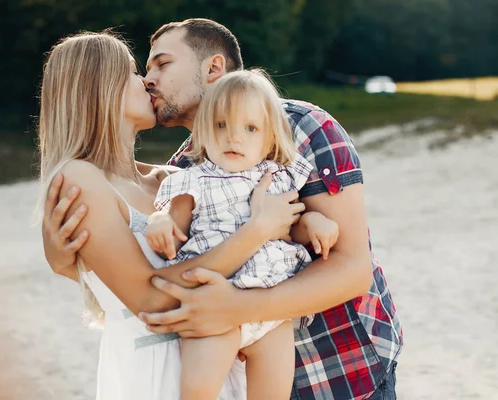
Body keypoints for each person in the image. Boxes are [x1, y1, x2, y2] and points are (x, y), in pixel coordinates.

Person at [44, 19, 403, 399]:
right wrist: (66, 262)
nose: (148, 79)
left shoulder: (300, 128)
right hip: (221, 375)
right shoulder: (187, 170)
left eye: (160, 65)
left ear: (213, 68)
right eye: (140, 71)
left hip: (340, 373)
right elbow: (137, 275)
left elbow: (349, 267)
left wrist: (243, 303)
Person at [37, 31, 306, 399]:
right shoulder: (81, 178)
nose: (147, 81)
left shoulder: (177, 177)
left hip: (216, 364)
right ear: (99, 87)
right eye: (132, 71)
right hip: (153, 378)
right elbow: (150, 300)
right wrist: (257, 230)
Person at [146, 69, 339, 398]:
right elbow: (169, 219)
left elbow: (295, 226)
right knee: (198, 389)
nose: (234, 138)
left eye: (250, 129)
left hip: (269, 309)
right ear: (204, 132)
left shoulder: (279, 178)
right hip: (214, 305)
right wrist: (159, 221)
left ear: (269, 139)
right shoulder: (194, 180)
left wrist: (317, 222)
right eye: (221, 126)